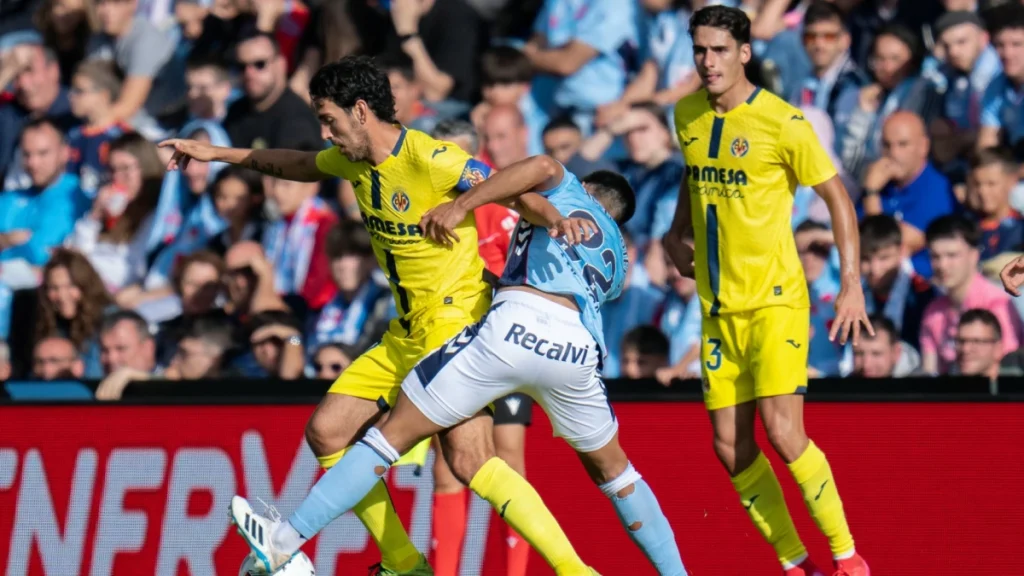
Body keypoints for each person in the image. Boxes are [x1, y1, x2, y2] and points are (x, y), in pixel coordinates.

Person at [159, 55, 594, 575]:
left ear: (361, 111)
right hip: (405, 332)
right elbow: (297, 164)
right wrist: (218, 154)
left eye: (330, 120)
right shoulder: (351, 160)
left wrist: (555, 218)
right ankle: (405, 565)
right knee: (328, 432)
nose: (326, 133)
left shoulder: (433, 158)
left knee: (469, 460)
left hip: (455, 325)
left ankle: (574, 570)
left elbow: (516, 191)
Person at [229, 155, 688, 576]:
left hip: (515, 325)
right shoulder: (620, 257)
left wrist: (462, 203)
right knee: (617, 473)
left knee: (389, 436)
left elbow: (541, 167)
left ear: (586, 189)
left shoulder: (566, 192)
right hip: (576, 350)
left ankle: (283, 542)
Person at [662, 6, 872, 576]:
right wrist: (675, 232)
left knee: (783, 430)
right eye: (700, 50)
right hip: (717, 307)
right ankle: (794, 562)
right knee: (729, 447)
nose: (708, 62)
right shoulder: (686, 114)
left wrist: (851, 286)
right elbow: (693, 170)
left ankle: (848, 555)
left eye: (720, 51)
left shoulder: (784, 123)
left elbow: (838, 200)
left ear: (745, 53)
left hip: (776, 300)